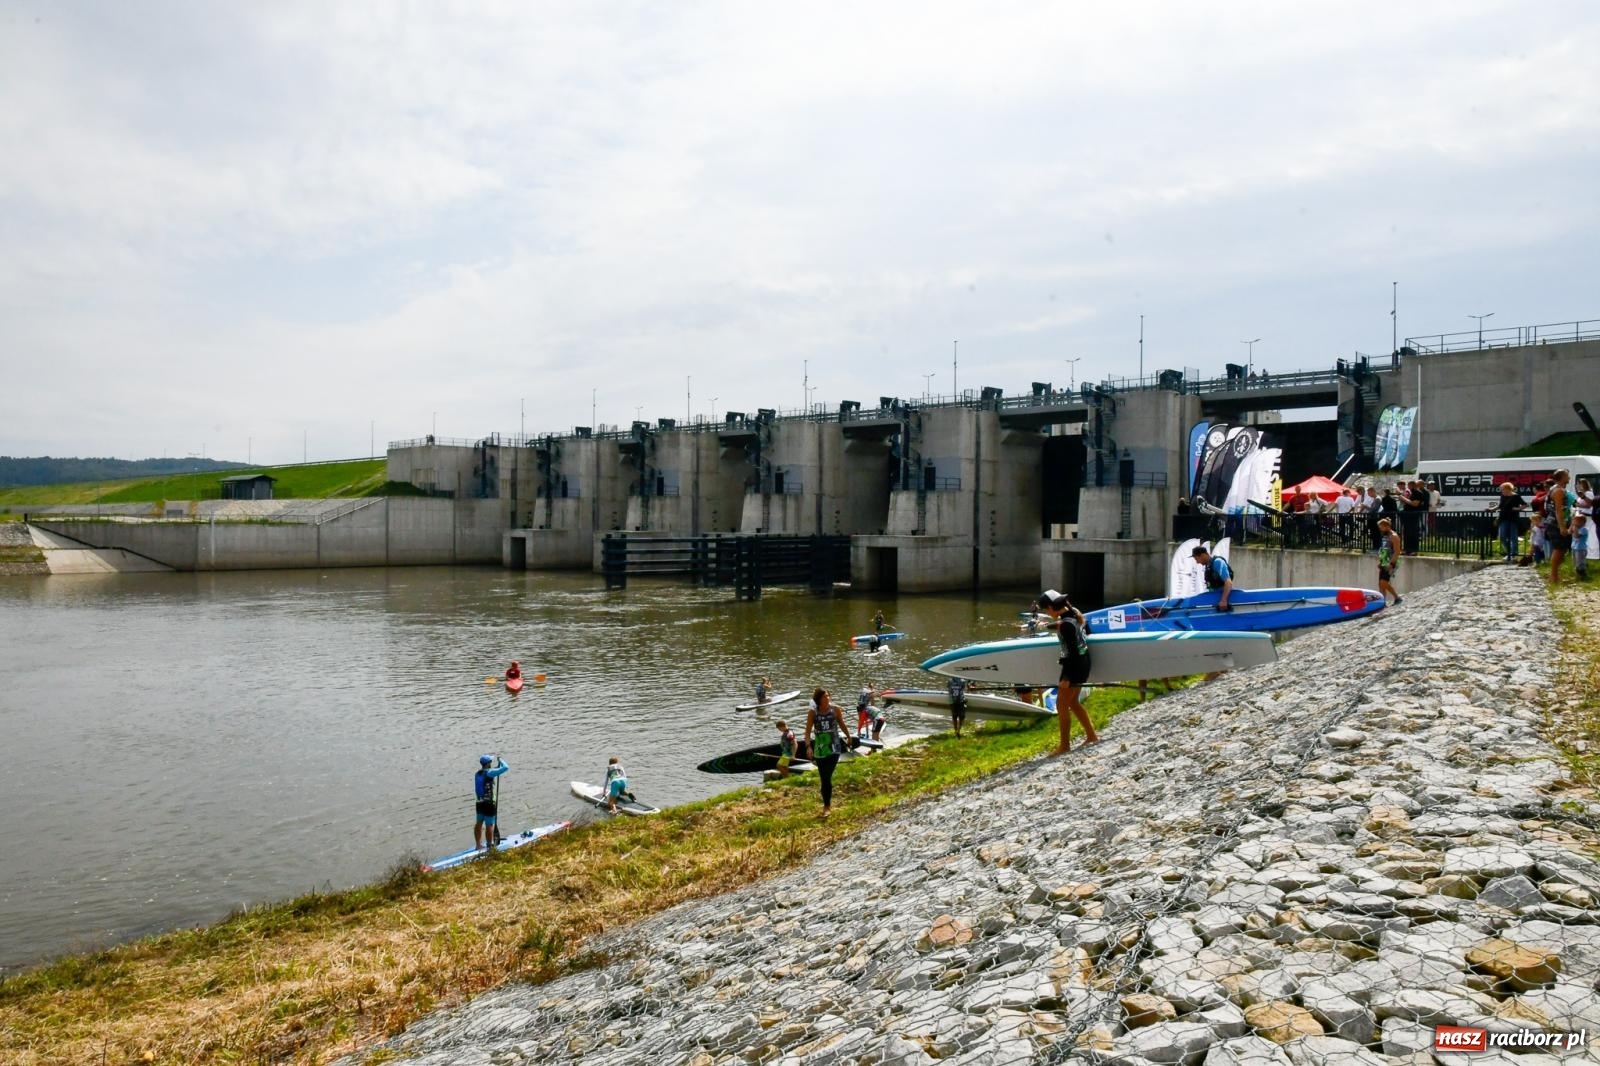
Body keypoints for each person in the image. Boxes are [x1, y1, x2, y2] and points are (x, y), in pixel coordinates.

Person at [1036, 591, 1097, 756]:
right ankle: (1091, 736)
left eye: (1046, 610)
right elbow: (1086, 633)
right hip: (1084, 663)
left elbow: (1072, 653)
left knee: (1061, 706)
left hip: (1074, 667)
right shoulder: (1075, 614)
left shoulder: (1065, 625)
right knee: (1073, 703)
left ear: (1050, 607)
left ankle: (1064, 746)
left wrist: (1066, 678)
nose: (1047, 613)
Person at [804, 688, 848, 817]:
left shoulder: (835, 709)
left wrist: (848, 736)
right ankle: (826, 799)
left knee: (827, 777)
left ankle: (827, 806)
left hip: (834, 747)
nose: (827, 698)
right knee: (824, 778)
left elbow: (841, 723)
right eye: (824, 696)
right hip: (820, 749)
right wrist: (808, 746)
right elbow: (807, 732)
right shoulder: (813, 713)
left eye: (828, 695)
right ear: (818, 699)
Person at [1545, 469, 1577, 586]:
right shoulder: (1558, 490)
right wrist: (1562, 527)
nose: (1569, 477)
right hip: (1556, 523)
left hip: (1561, 521)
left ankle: (1555, 575)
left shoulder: (1560, 489)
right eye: (1567, 475)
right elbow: (1558, 510)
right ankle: (1553, 576)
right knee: (1559, 549)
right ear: (1562, 477)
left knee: (1562, 549)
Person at [473, 755, 510, 850]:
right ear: (488, 763)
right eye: (490, 761)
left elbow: (490, 774)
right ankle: (490, 846)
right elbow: (506, 767)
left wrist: (496, 769)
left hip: (479, 802)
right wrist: (501, 760)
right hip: (489, 803)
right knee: (489, 824)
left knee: (479, 823)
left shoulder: (477, 773)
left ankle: (478, 845)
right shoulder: (490, 773)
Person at [1191, 544, 1234, 611]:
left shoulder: (1218, 562)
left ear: (1202, 555)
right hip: (1216, 601)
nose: (1197, 562)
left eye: (1197, 559)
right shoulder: (1208, 566)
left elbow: (1228, 582)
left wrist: (1223, 600)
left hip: (1223, 603)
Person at [1496, 482, 1526, 563]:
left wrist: (1517, 509)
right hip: (1503, 518)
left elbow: (1525, 505)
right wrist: (1491, 509)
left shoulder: (1516, 496)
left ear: (1507, 489)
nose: (1501, 491)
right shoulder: (1502, 496)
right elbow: (1500, 506)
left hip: (1513, 519)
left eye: (1502, 489)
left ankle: (1513, 554)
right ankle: (1509, 552)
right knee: (1502, 537)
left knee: (1513, 537)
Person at [1377, 518, 1402, 606]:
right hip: (1384, 561)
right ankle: (1382, 603)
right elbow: (1384, 550)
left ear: (1387, 526)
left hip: (1391, 562)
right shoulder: (1385, 536)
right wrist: (1381, 561)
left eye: (1381, 527)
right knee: (1381, 584)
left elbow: (1397, 551)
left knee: (1384, 582)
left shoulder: (1394, 536)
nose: (1380, 529)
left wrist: (1391, 564)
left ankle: (1397, 598)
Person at [946, 674, 968, 739]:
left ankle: (958, 731)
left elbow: (963, 689)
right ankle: (956, 731)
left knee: (962, 716)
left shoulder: (962, 681)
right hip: (953, 701)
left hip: (961, 701)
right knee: (954, 716)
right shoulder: (950, 681)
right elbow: (949, 689)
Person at [1572, 513, 1591, 579]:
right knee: (1575, 561)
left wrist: (1575, 528)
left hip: (1581, 548)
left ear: (1582, 522)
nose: (1574, 523)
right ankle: (1578, 573)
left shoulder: (1584, 529)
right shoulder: (1575, 528)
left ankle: (1582, 573)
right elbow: (1569, 532)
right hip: (1575, 547)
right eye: (1574, 521)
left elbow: (1576, 536)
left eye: (1576, 521)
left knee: (1580, 561)